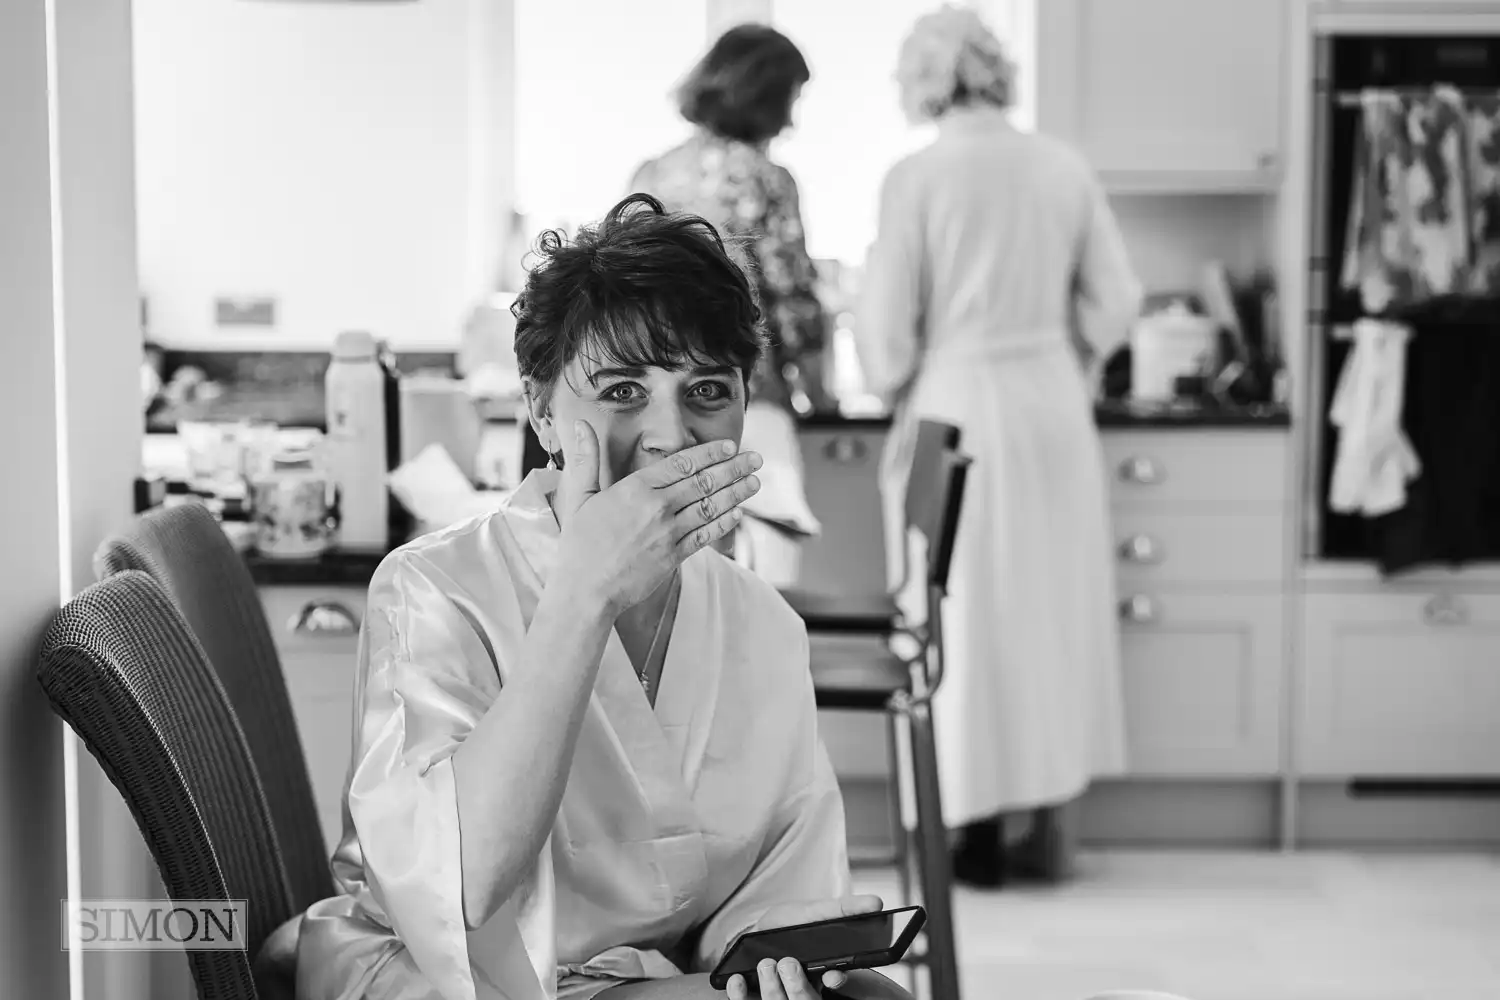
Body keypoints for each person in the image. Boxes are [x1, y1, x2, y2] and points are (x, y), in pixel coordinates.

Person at [268, 194, 908, 1000]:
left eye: (708, 390)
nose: (671, 435)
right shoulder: (432, 589)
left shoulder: (762, 623)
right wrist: (585, 593)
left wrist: (776, 953)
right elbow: (460, 891)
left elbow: (780, 881)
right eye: (622, 391)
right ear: (540, 408)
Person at [856, 5, 1144, 888]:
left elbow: (889, 344)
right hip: (1050, 401)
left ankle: (968, 836)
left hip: (958, 402)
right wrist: (1070, 354)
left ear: (922, 79)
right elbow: (1118, 298)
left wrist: (895, 369)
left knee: (962, 618)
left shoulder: (917, 176)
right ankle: (1049, 831)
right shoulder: (1061, 166)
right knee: (1049, 613)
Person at [630, 23, 830, 587]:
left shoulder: (651, 174)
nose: (791, 119)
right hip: (746, 398)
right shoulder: (768, 179)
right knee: (767, 583)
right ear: (765, 97)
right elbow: (794, 307)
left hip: (659, 408)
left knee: (679, 576)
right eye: (790, 100)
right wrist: (820, 392)